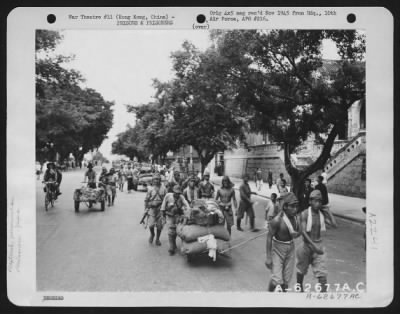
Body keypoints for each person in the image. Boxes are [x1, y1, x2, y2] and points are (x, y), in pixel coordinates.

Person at [296, 190, 338, 293]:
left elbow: (334, 225)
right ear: (310, 201)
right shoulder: (305, 214)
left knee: (322, 275)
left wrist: (328, 212)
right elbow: (303, 232)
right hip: (306, 246)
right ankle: (299, 287)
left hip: (318, 247)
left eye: (320, 201)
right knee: (301, 270)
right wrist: (313, 245)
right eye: (316, 201)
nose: (318, 204)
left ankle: (322, 299)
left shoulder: (321, 215)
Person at [265, 192, 301, 292]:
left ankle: (282, 299)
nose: (295, 209)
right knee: (276, 280)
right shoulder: (277, 221)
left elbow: (299, 233)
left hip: (290, 248)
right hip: (278, 249)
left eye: (296, 206)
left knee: (286, 280)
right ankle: (268, 296)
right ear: (285, 206)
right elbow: (269, 237)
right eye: (292, 207)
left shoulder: (296, 219)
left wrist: (298, 233)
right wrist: (268, 257)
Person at [160, 185, 190, 255]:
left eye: (178, 193)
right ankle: (171, 247)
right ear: (173, 191)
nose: (177, 194)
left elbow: (186, 204)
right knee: (171, 232)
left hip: (178, 216)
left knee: (178, 230)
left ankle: (174, 244)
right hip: (169, 216)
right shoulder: (168, 196)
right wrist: (163, 217)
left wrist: (188, 210)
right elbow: (163, 207)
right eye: (176, 193)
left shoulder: (181, 197)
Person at [144, 174, 168, 246]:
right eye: (155, 179)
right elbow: (146, 200)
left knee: (159, 226)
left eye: (158, 179)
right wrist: (146, 209)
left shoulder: (164, 189)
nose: (156, 181)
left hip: (160, 209)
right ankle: (152, 234)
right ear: (153, 181)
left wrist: (165, 210)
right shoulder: (150, 189)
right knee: (151, 225)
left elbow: (166, 199)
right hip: (152, 209)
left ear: (160, 180)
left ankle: (157, 238)